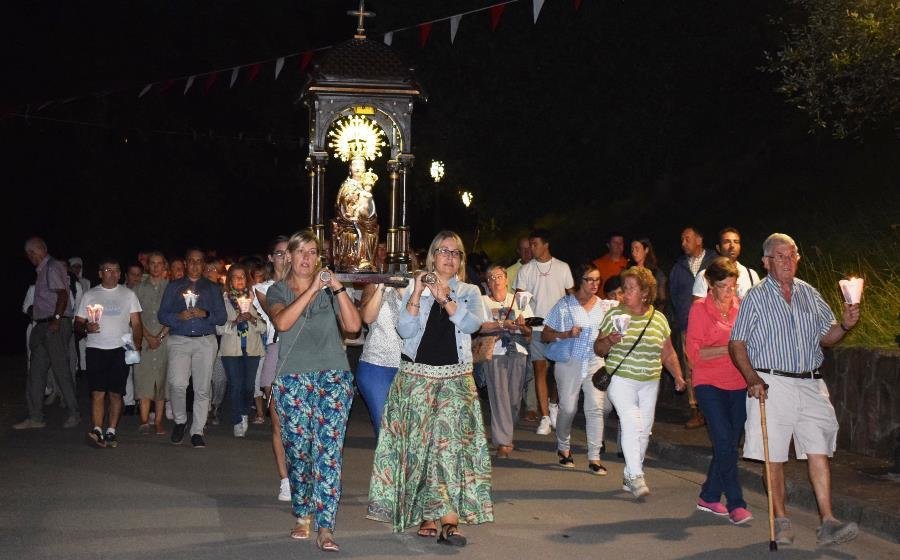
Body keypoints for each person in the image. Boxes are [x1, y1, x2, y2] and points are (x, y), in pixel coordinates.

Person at [729, 233, 861, 546]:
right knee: (773, 456)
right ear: (766, 262)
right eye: (780, 256)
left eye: (792, 255)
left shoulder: (809, 293)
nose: (788, 261)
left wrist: (843, 325)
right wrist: (752, 379)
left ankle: (828, 520)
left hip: (811, 382)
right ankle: (781, 518)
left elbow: (825, 337)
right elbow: (737, 343)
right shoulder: (756, 297)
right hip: (771, 382)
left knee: (819, 450)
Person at [367, 230, 492, 547]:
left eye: (456, 252)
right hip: (416, 378)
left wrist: (445, 298)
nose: (449, 257)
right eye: (444, 251)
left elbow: (471, 326)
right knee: (421, 451)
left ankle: (449, 521)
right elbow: (404, 329)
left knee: (449, 451)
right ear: (432, 256)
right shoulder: (415, 287)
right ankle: (426, 513)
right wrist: (417, 293)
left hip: (455, 380)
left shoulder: (468, 291)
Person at [267, 231, 361, 552]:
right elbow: (282, 323)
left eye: (312, 252)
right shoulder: (277, 289)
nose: (307, 258)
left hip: (333, 376)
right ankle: (303, 511)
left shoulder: (330, 291)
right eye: (300, 252)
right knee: (298, 450)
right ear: (289, 257)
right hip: (293, 378)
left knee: (328, 453)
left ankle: (325, 525)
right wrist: (311, 290)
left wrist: (338, 288)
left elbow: (353, 326)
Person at [594, 266, 686, 498]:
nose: (625, 293)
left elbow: (668, 353)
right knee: (632, 422)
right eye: (624, 289)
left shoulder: (658, 319)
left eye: (631, 289)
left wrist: (677, 375)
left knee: (644, 430)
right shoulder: (614, 315)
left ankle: (630, 473)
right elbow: (598, 348)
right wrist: (610, 340)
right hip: (621, 378)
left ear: (645, 292)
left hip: (649, 381)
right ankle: (636, 475)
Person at [685, 257, 752, 524]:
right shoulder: (700, 309)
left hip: (738, 382)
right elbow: (695, 354)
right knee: (724, 441)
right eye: (723, 286)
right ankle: (736, 502)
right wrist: (731, 348)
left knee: (729, 444)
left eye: (733, 286)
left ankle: (710, 495)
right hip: (709, 383)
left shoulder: (741, 307)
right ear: (710, 285)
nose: (729, 292)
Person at [542, 264, 609, 474]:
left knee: (596, 408)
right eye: (590, 279)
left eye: (598, 280)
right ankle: (563, 447)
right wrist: (566, 334)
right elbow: (545, 335)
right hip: (569, 361)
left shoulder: (603, 306)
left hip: (594, 361)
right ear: (580, 281)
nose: (595, 284)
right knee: (569, 409)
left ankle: (594, 457)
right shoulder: (564, 305)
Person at [158, 248, 227, 448]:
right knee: (178, 384)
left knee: (202, 388)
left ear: (204, 264)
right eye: (191, 261)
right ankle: (180, 421)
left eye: (199, 261)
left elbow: (221, 317)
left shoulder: (213, 288)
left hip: (205, 341)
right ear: (186, 263)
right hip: (179, 339)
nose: (195, 265)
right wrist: (178, 317)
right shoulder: (174, 287)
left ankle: (197, 430)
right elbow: (162, 315)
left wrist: (205, 314)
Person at [74, 259, 143, 448]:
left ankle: (111, 430)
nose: (112, 274)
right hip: (96, 349)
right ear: (100, 273)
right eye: (107, 270)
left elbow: (136, 323)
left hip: (120, 349)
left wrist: (137, 343)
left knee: (115, 393)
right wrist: (86, 326)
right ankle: (97, 429)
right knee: (97, 392)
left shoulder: (128, 294)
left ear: (120, 274)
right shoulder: (90, 295)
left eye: (116, 271)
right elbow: (77, 323)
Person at [15, 237, 80, 430]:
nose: (30, 257)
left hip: (55, 325)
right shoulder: (42, 270)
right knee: (35, 372)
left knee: (61, 370)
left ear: (41, 250)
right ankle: (35, 417)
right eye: (29, 254)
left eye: (32, 253)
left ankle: (74, 413)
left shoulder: (52, 266)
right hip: (42, 326)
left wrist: (57, 319)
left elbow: (62, 294)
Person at [515, 228, 574, 436]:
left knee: (558, 373)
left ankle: (554, 404)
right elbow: (520, 300)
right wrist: (524, 324)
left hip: (559, 329)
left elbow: (571, 295)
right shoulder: (526, 271)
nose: (532, 248)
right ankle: (545, 417)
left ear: (546, 244)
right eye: (530, 245)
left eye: (535, 244)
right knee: (540, 370)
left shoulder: (563, 267)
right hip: (537, 328)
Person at [480, 265, 533, 459]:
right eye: (491, 277)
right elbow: (480, 327)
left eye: (499, 276)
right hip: (495, 352)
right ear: (487, 283)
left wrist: (522, 325)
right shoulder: (483, 301)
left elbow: (529, 332)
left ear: (506, 280)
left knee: (513, 399)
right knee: (499, 396)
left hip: (518, 352)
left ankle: (505, 431)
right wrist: (501, 324)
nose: (495, 280)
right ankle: (504, 441)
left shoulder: (519, 300)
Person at [254, 236, 291, 500]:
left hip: (304, 351)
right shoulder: (262, 288)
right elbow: (279, 320)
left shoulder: (305, 283)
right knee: (278, 421)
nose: (285, 258)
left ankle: (305, 472)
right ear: (270, 258)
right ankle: (285, 479)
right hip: (277, 350)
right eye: (279, 253)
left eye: (290, 253)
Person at [669, 226, 716, 429]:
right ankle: (696, 411)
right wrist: (682, 315)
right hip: (688, 324)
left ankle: (714, 410)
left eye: (687, 239)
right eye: (681, 239)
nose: (683, 243)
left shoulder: (714, 262)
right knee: (691, 368)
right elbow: (673, 294)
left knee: (714, 365)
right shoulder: (679, 267)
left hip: (714, 325)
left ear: (699, 239)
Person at [218, 264, 266, 438]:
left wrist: (252, 319)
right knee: (236, 385)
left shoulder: (255, 300)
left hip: (252, 349)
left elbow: (264, 326)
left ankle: (245, 412)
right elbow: (218, 328)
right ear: (229, 280)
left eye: (242, 276)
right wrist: (235, 321)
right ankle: (237, 420)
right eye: (235, 277)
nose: (239, 280)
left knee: (248, 386)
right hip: (231, 350)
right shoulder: (223, 301)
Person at [357, 279, 405, 437]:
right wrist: (381, 287)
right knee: (385, 428)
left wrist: (405, 290)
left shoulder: (417, 285)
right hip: (376, 366)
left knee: (410, 430)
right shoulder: (374, 285)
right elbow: (367, 318)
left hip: (411, 367)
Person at [133, 251, 169, 435]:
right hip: (144, 338)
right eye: (152, 263)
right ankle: (145, 420)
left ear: (165, 266)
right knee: (144, 379)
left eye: (159, 263)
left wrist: (160, 337)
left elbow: (174, 315)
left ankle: (159, 422)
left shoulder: (171, 287)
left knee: (162, 382)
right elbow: (135, 316)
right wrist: (147, 337)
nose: (155, 267)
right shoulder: (138, 288)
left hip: (165, 339)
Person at [692, 227, 760, 301]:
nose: (732, 246)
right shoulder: (705, 275)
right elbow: (698, 308)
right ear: (718, 248)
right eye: (727, 242)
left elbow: (759, 304)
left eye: (736, 242)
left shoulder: (751, 275)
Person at [629, 237, 667, 309]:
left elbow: (662, 298)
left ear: (646, 250)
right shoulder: (629, 271)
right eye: (632, 250)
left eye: (637, 249)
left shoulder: (656, 273)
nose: (634, 253)